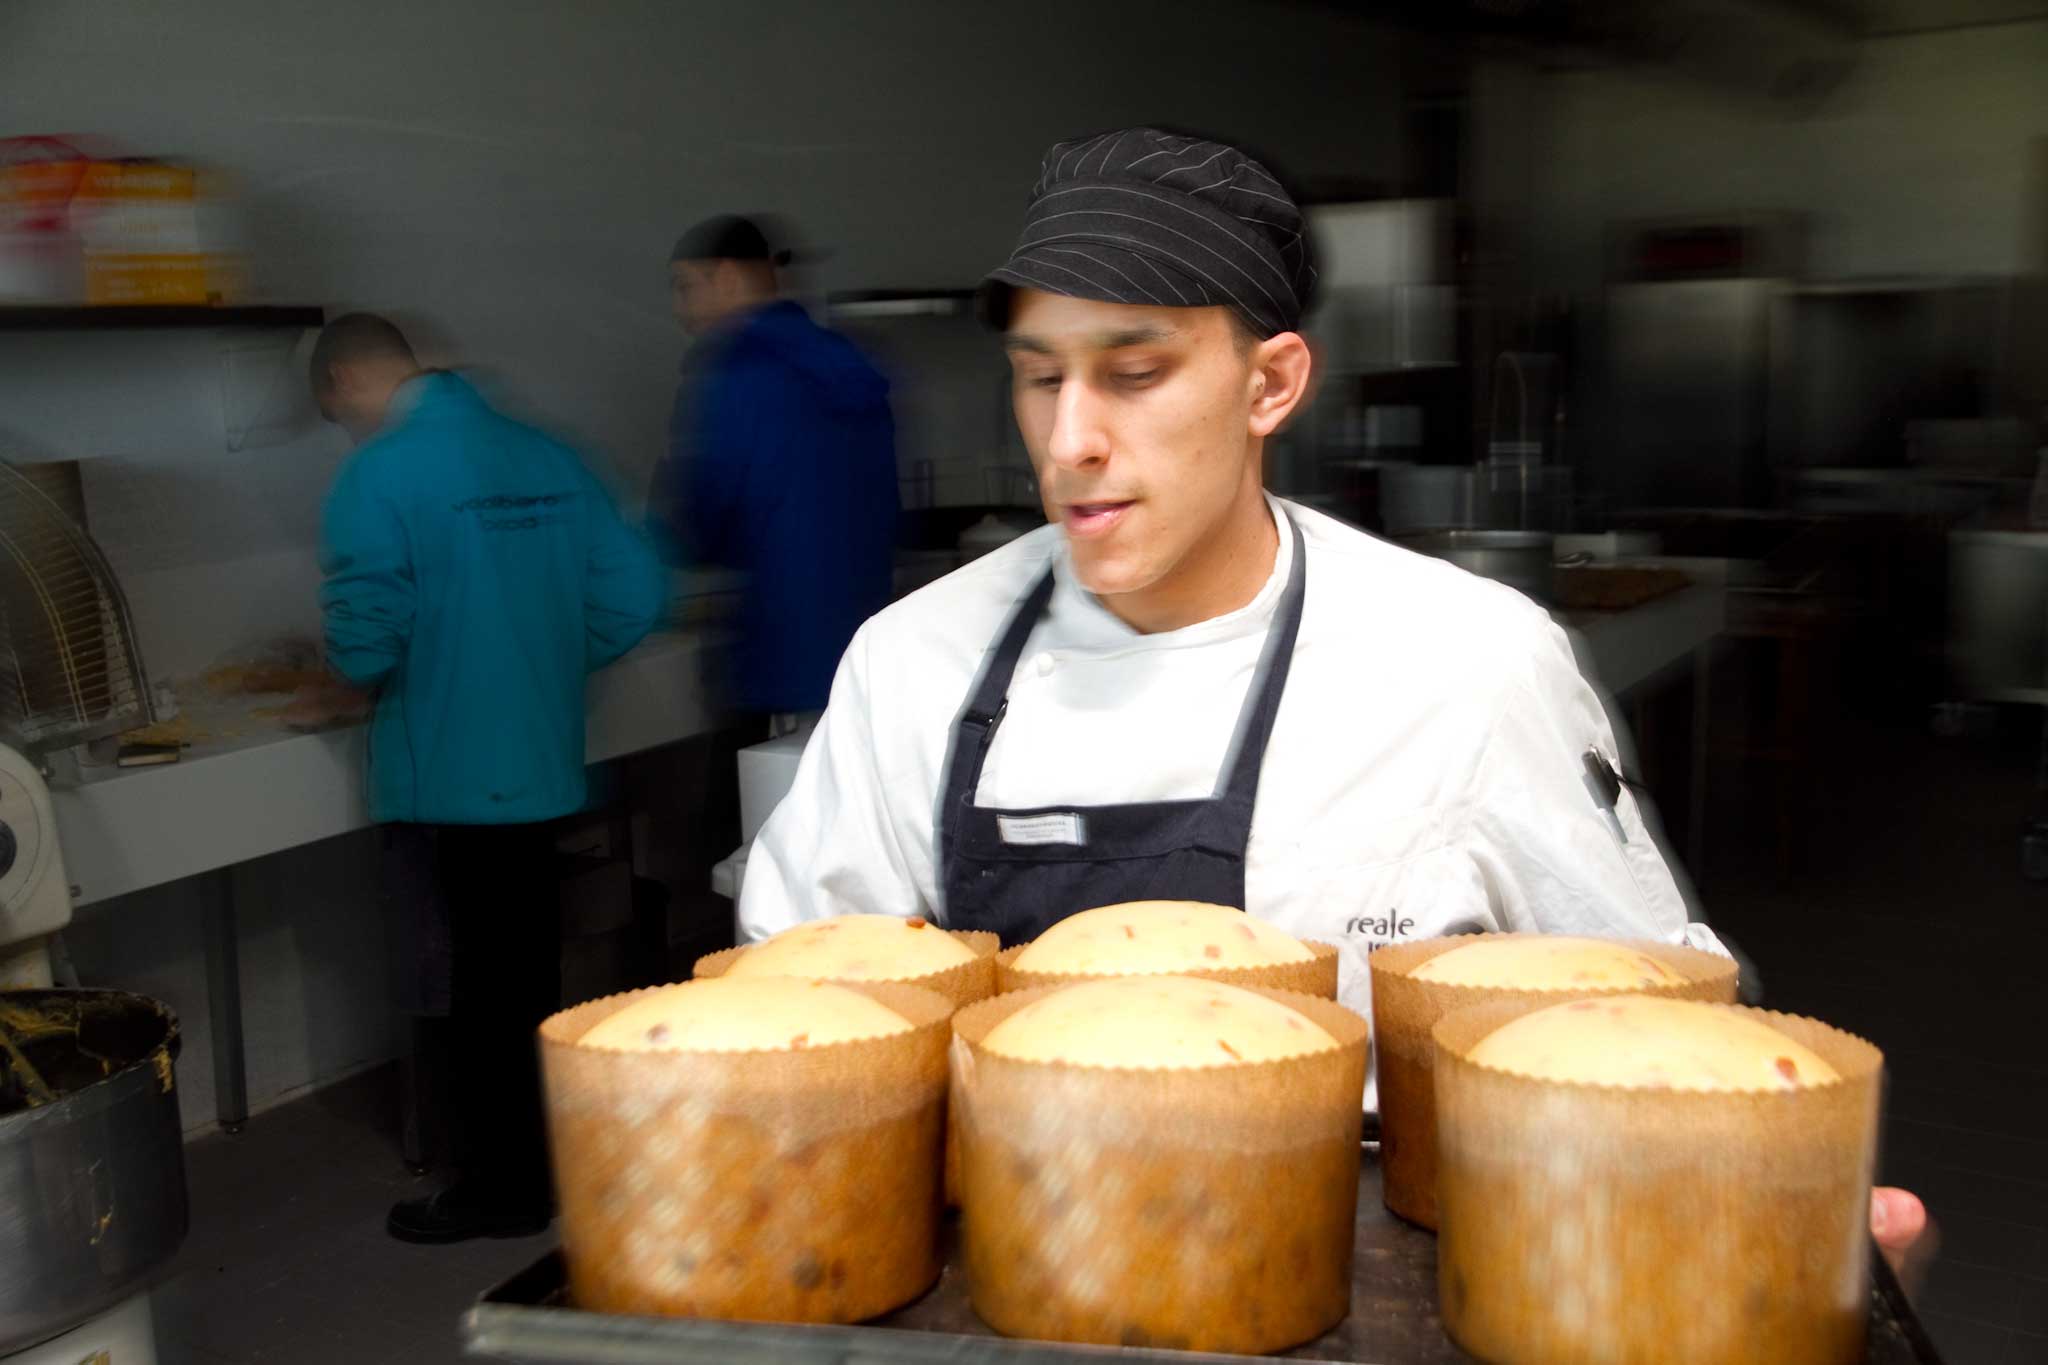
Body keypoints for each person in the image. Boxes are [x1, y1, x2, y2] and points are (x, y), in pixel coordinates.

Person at [736, 128, 1928, 1270]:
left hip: (1368, 1275)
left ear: (1270, 384)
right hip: (1003, 1263)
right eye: (1039, 379)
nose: (1070, 439)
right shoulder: (912, 664)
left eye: (1133, 373)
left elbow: (1636, 1010)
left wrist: (1777, 1192)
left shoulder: (1462, 662)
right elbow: (803, 1021)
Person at [311, 313, 665, 1243]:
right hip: (540, 759)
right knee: (529, 972)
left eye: (336, 408)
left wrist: (337, 674)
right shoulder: (546, 453)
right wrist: (536, 658)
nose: (345, 427)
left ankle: (499, 1190)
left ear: (348, 380)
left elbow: (364, 635)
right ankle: (545, 1167)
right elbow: (633, 592)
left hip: (450, 776)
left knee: (471, 988)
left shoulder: (377, 473)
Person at [647, 214, 899, 734]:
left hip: (776, 644)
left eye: (685, 287)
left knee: (756, 800)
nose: (681, 309)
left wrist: (670, 538)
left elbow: (710, 506)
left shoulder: (739, 370)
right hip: (862, 639)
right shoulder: (851, 362)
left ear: (729, 278)